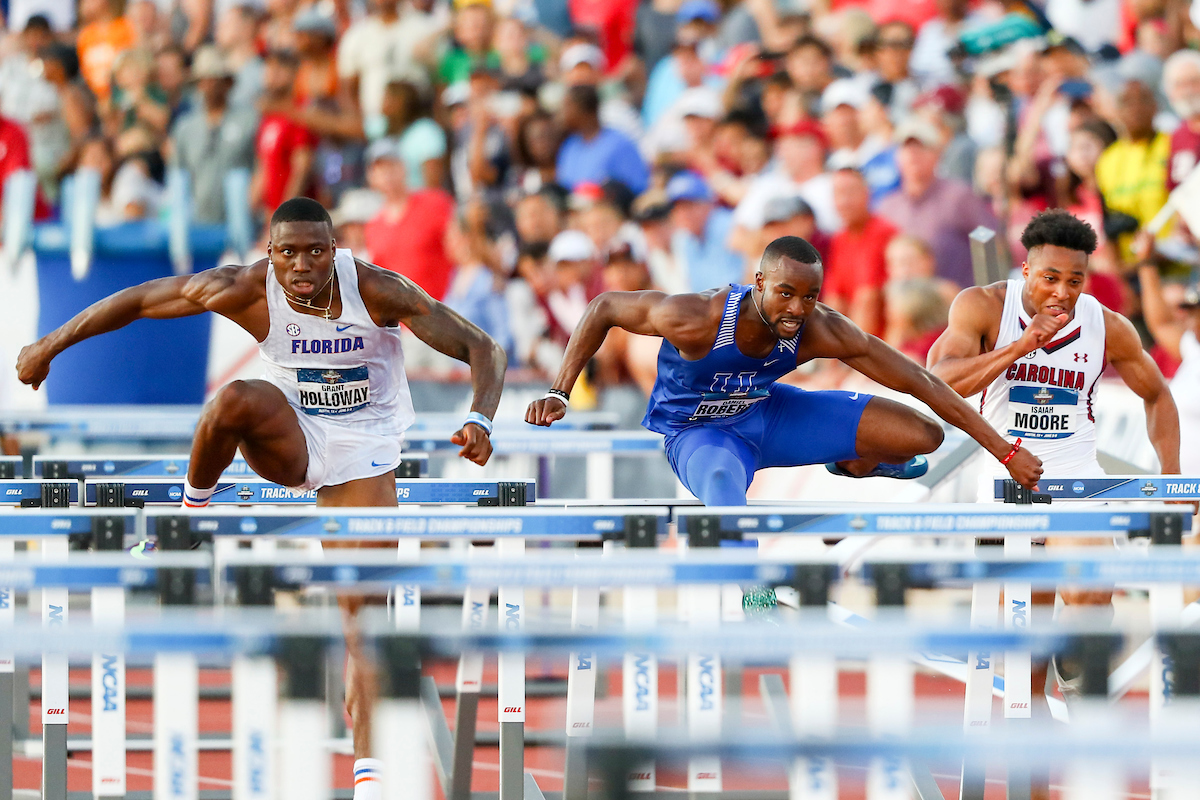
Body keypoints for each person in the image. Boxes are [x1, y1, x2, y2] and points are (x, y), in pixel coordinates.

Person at [16, 196, 507, 800]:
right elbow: (139, 301)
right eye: (289, 253)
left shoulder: (378, 289)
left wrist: (481, 419)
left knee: (365, 626)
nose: (303, 265)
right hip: (294, 436)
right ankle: (189, 516)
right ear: (269, 254)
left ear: (335, 249)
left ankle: (370, 781)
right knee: (232, 400)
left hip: (365, 454)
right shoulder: (244, 288)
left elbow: (483, 347)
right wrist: (49, 346)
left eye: (316, 251)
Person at [526, 235, 1043, 507]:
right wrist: (561, 390)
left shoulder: (823, 329)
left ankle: (851, 462)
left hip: (771, 416)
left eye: (810, 296)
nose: (797, 309)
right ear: (758, 284)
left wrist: (1006, 451)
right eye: (786, 294)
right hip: (700, 434)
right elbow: (603, 306)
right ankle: (758, 608)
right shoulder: (697, 318)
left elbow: (923, 382)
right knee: (728, 495)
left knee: (923, 434)